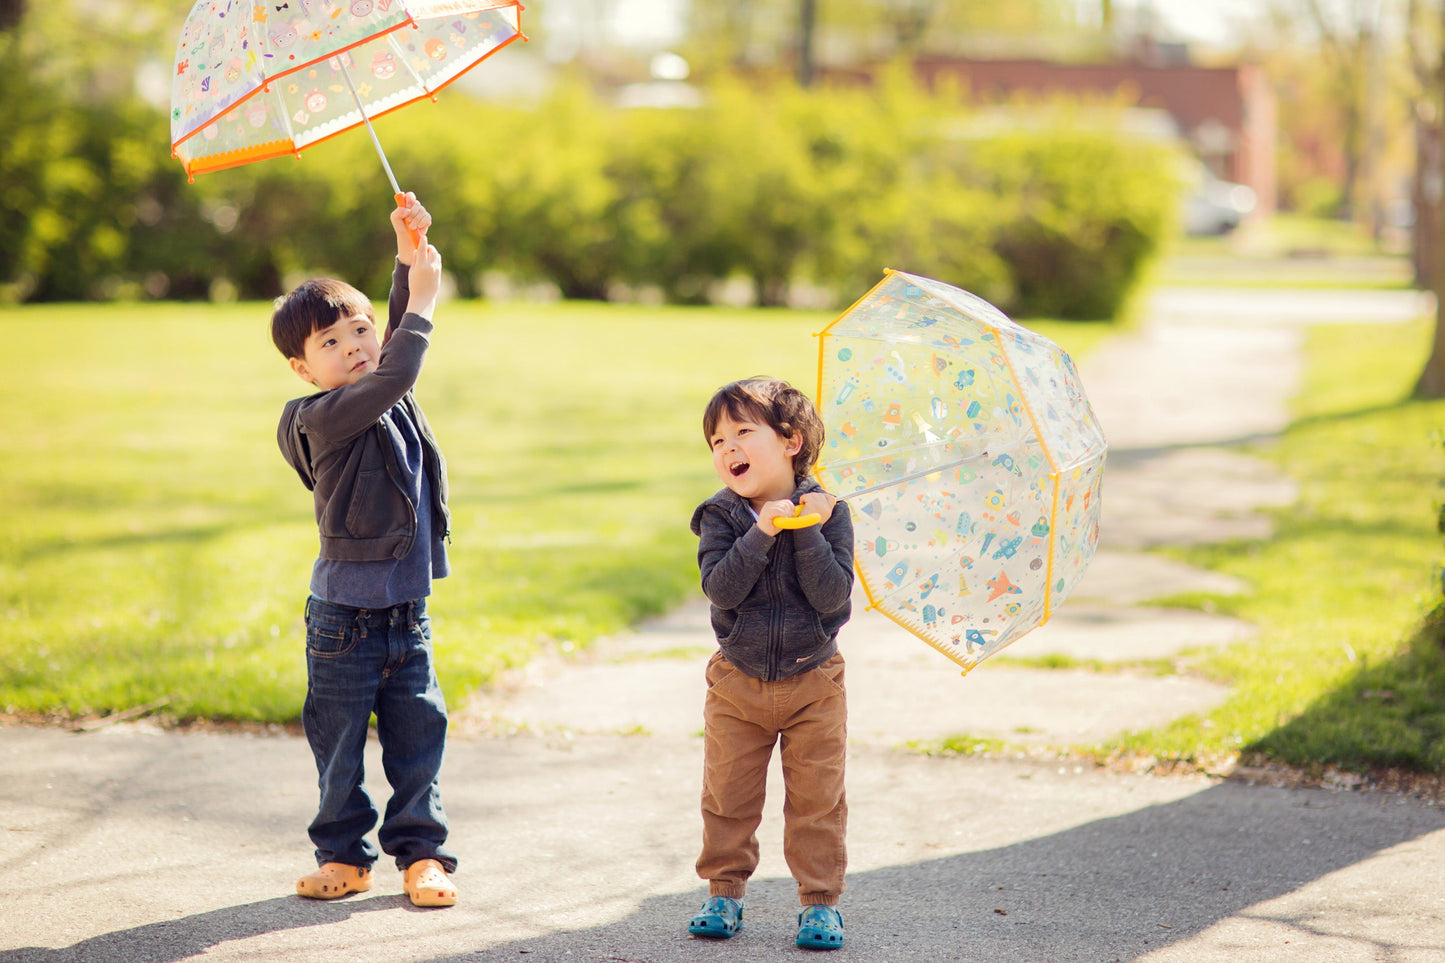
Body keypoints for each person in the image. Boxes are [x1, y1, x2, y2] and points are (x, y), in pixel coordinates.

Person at [272, 194, 459, 908]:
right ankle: (343, 857)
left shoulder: (378, 386)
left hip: (407, 613)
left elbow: (389, 360)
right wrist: (426, 305)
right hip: (343, 622)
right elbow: (395, 370)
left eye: (360, 329)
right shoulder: (322, 417)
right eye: (330, 342)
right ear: (302, 368)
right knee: (339, 745)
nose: (353, 344)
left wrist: (408, 257)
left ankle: (423, 854)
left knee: (419, 739)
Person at [687, 376, 855, 951]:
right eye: (717, 441)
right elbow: (722, 588)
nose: (727, 448)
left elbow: (832, 598)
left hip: (815, 681)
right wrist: (761, 531)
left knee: (817, 799)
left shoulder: (830, 513)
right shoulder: (721, 516)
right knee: (728, 796)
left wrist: (808, 531)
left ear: (790, 441)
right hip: (738, 680)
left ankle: (819, 903)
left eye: (742, 432)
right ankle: (724, 893)